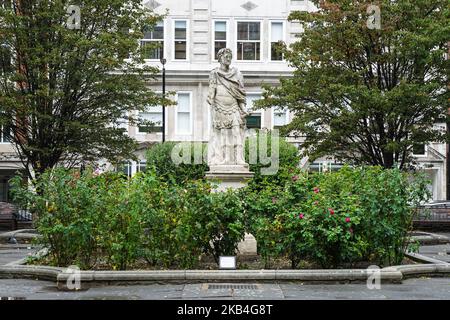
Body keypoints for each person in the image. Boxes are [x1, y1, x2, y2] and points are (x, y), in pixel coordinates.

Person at [207, 48, 248, 167]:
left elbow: (239, 94)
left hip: (234, 107)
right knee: (224, 133)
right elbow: (212, 89)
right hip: (219, 107)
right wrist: (210, 98)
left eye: (230, 56)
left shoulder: (236, 73)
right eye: (226, 56)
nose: (228, 59)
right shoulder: (214, 73)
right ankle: (225, 158)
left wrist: (243, 109)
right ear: (220, 58)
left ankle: (239, 158)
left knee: (236, 132)